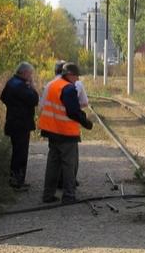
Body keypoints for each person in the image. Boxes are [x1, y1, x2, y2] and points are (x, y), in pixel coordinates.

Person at [38, 62, 93, 204]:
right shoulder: (68, 89)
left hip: (52, 131)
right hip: (66, 133)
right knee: (69, 165)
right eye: (76, 76)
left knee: (53, 164)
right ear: (69, 75)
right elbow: (73, 111)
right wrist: (86, 122)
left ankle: (47, 195)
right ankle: (69, 196)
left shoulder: (54, 85)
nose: (77, 80)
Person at [0, 62, 39, 190]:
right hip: (21, 124)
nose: (31, 76)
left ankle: (16, 180)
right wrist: (32, 87)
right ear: (24, 73)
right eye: (30, 73)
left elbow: (3, 97)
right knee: (20, 154)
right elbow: (34, 100)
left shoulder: (11, 82)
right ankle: (17, 182)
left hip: (12, 121)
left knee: (17, 152)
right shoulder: (21, 86)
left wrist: (14, 106)